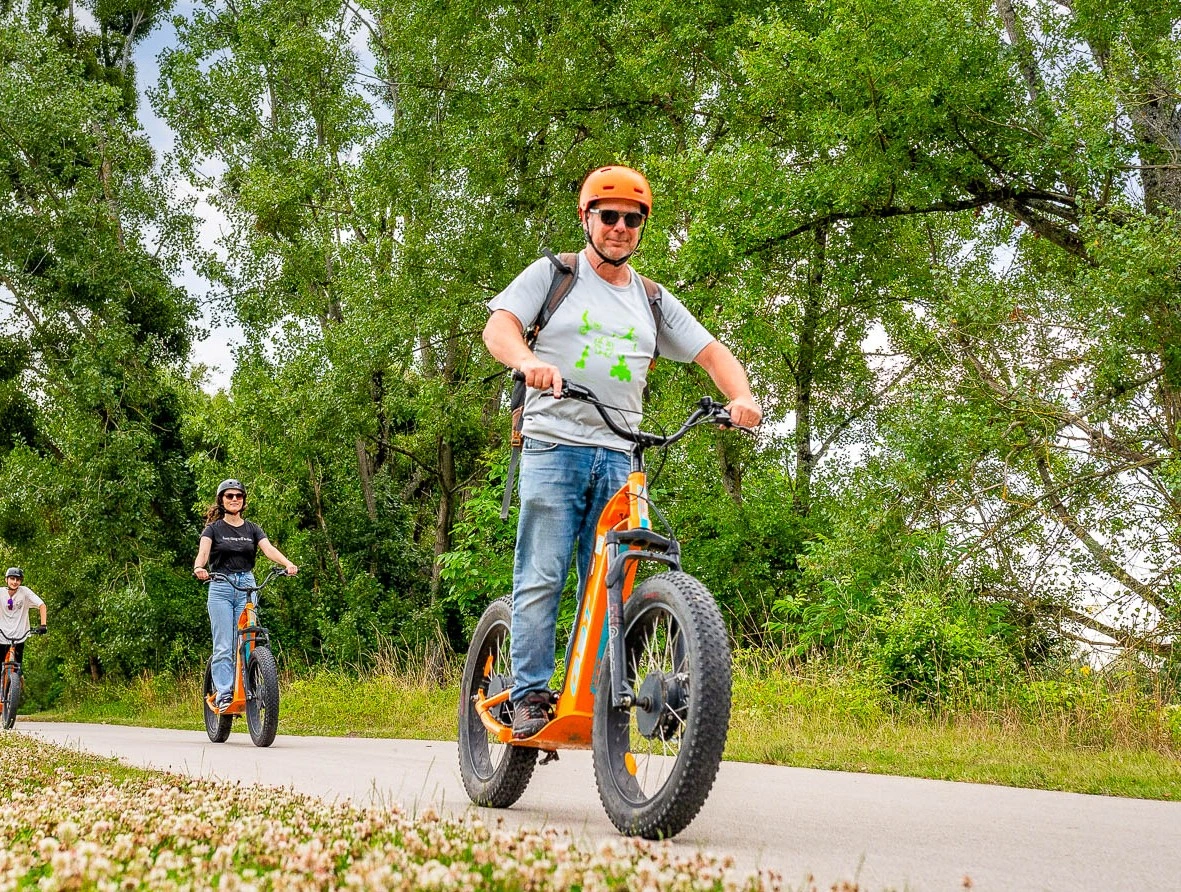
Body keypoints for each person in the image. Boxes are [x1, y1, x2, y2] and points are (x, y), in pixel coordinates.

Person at [482, 165, 762, 738]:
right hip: (554, 444)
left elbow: (712, 352)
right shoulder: (555, 274)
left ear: (641, 227)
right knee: (544, 572)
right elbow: (499, 327)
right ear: (587, 218)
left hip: (619, 452)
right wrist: (528, 362)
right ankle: (532, 694)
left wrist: (743, 396)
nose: (619, 227)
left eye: (631, 219)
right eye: (608, 216)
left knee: (613, 578)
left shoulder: (652, 299)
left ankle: (606, 694)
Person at [192, 479, 297, 709]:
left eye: (238, 496)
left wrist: (288, 563)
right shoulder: (213, 529)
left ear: (243, 501)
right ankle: (224, 692)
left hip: (247, 585)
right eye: (229, 496)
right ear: (222, 500)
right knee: (224, 644)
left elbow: (268, 549)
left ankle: (251, 686)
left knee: (247, 640)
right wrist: (199, 568)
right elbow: (203, 553)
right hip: (220, 584)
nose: (234, 499)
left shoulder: (252, 528)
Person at [1, 567, 47, 663]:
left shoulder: (25, 592)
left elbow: (42, 605)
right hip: (1, 636)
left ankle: (17, 677)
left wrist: (43, 625)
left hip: (19, 636)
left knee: (17, 667)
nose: (15, 582)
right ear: (6, 579)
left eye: (18, 579)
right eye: (12, 578)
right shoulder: (1, 593)